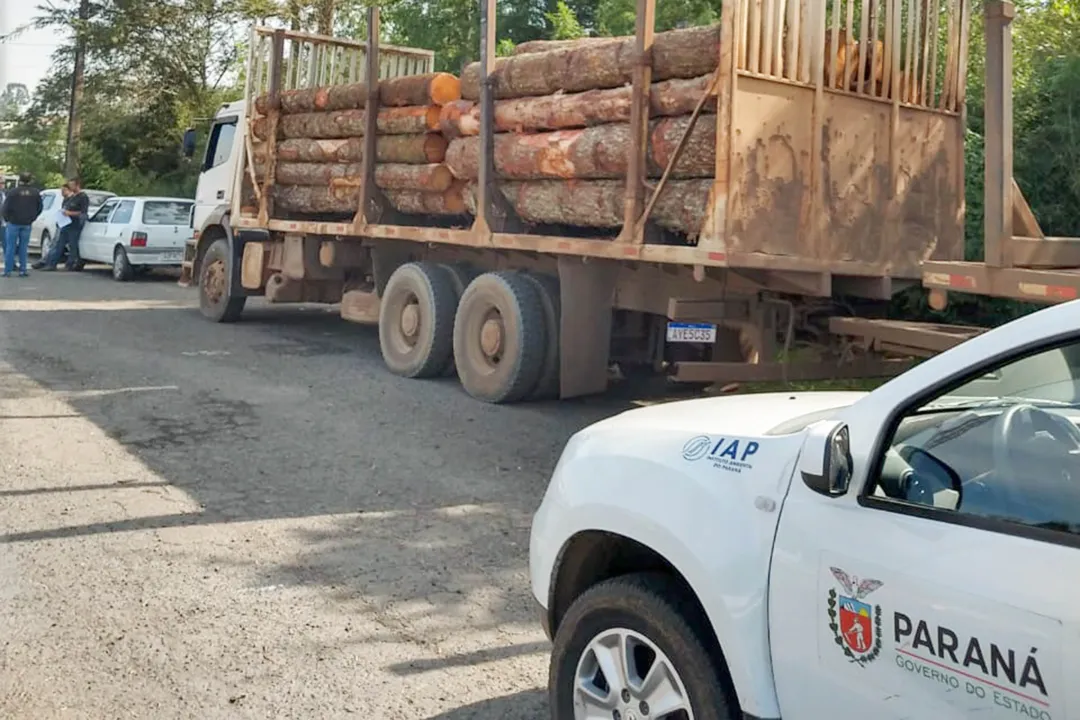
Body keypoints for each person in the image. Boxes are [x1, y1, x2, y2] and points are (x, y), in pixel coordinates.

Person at [35, 177, 89, 271]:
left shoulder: (83, 197)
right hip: (65, 223)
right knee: (59, 244)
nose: (71, 187)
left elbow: (83, 212)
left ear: (77, 185)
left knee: (73, 245)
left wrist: (70, 213)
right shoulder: (71, 197)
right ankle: (52, 264)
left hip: (74, 224)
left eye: (72, 185)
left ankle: (71, 264)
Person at [1, 172, 43, 278]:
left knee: (10, 247)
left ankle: (8, 271)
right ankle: (23, 270)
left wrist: (7, 219)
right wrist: (32, 218)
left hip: (13, 222)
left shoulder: (13, 192)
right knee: (24, 248)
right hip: (27, 223)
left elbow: (5, 207)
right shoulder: (35, 192)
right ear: (30, 180)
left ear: (20, 180)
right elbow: (40, 207)